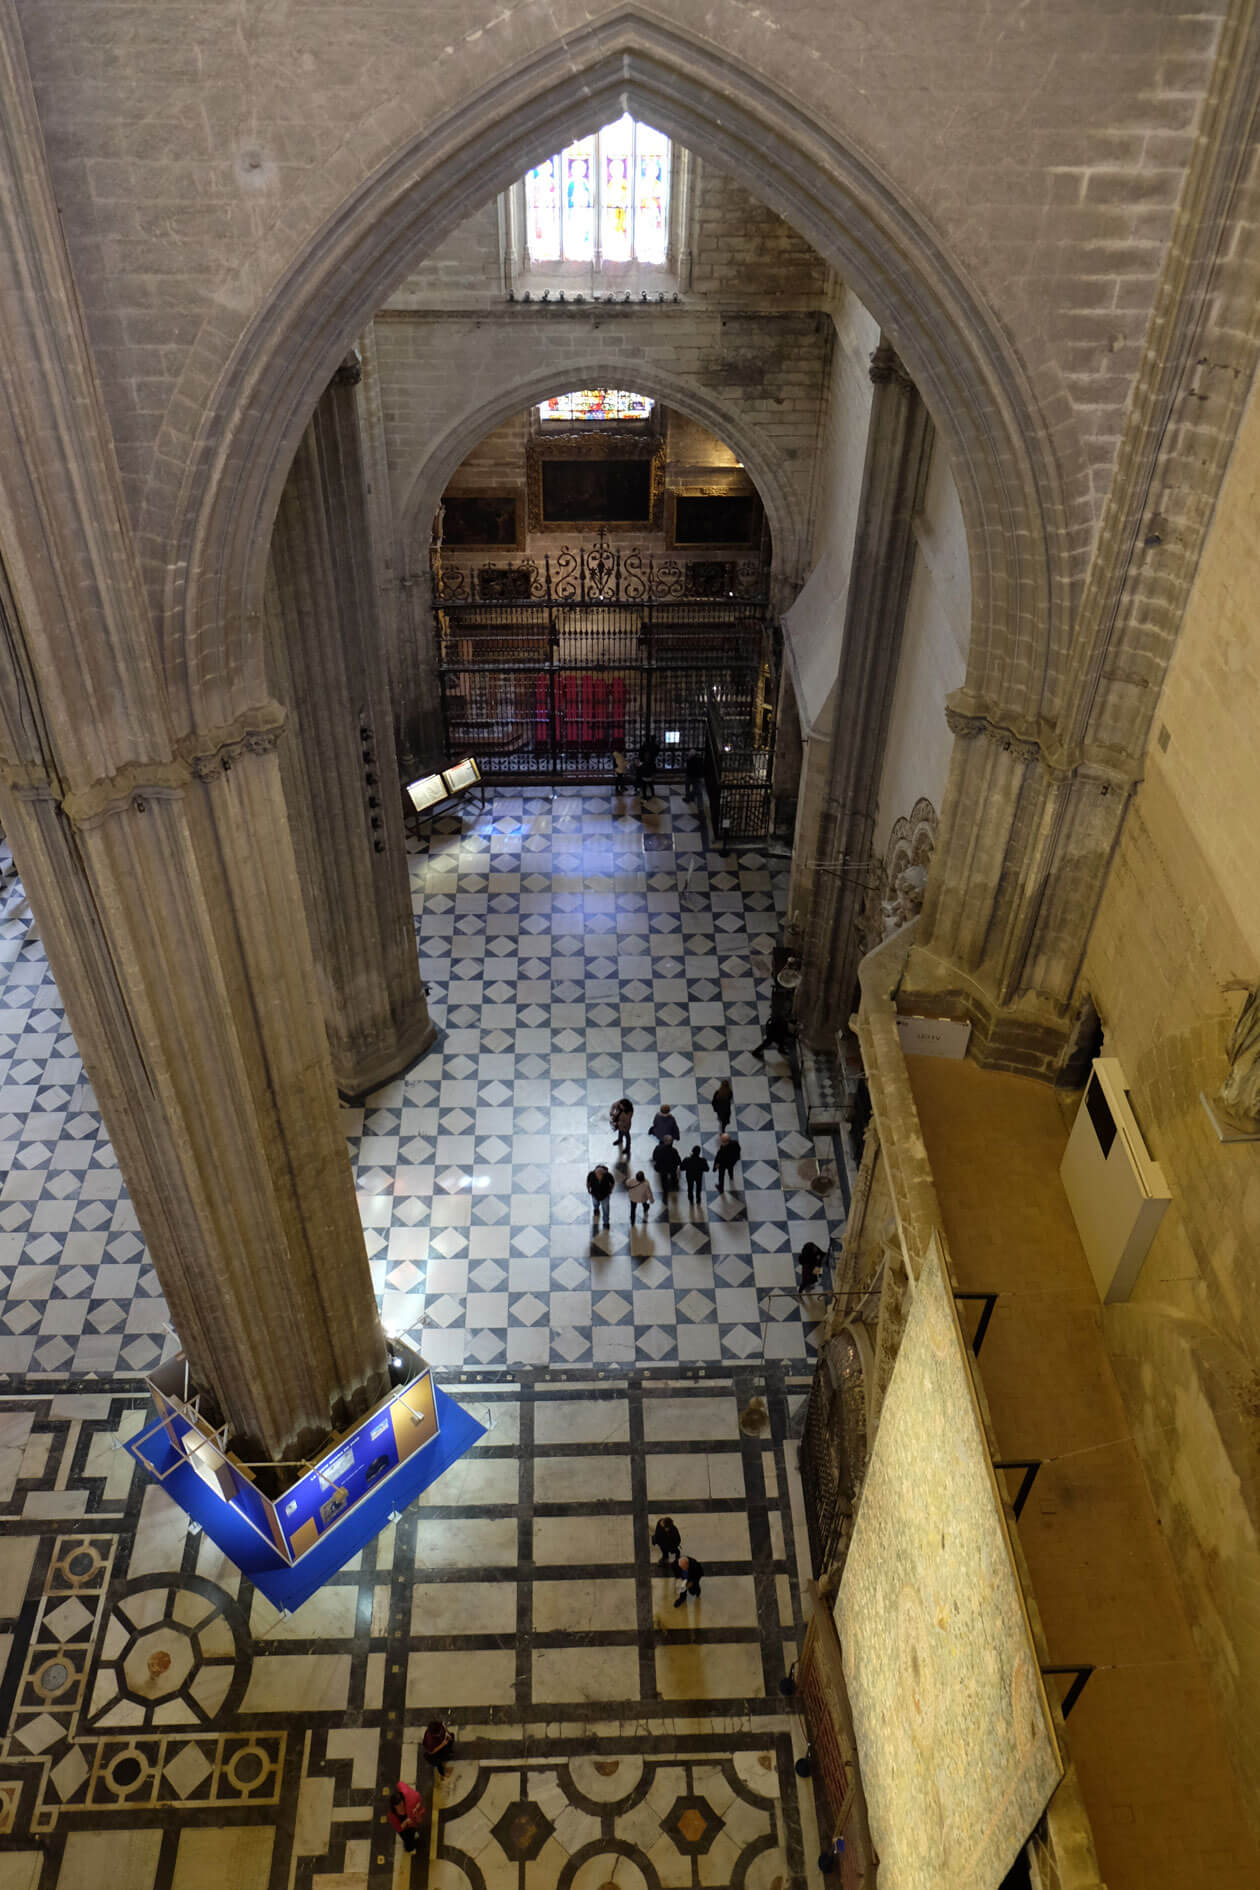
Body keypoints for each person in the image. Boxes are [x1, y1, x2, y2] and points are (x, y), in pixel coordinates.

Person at [387, 1780, 426, 1853]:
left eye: (402, 1804)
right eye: (398, 1806)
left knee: (413, 1831)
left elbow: (418, 1804)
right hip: (404, 1829)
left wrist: (417, 1809)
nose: (401, 1807)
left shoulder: (409, 1803)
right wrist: (406, 1821)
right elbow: (399, 1828)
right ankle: (410, 1846)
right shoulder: (392, 1815)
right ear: (394, 1807)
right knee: (408, 1843)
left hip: (412, 1824)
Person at [586, 1163, 615, 1230]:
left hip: (605, 1195)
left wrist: (610, 1190)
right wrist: (588, 1189)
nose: (599, 1175)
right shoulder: (591, 1174)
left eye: (601, 1173)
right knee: (595, 1204)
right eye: (598, 1173)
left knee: (606, 1210)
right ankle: (596, 1209)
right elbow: (588, 1182)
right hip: (595, 1194)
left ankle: (606, 1223)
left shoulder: (608, 1175)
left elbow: (613, 1182)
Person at [635, 732, 660, 798]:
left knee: (643, 778)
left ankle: (642, 790)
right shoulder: (656, 746)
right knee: (650, 779)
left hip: (644, 763)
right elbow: (657, 753)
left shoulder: (645, 745)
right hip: (651, 763)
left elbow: (640, 752)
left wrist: (641, 759)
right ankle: (652, 793)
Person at [610, 1097, 634, 1161]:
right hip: (619, 1122)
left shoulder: (629, 1112)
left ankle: (627, 1148)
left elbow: (626, 1122)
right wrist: (611, 1113)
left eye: (621, 1106)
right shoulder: (620, 1103)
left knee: (626, 1135)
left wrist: (617, 1124)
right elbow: (613, 1105)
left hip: (625, 1126)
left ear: (625, 1107)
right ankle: (620, 1140)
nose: (619, 1106)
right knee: (620, 1132)